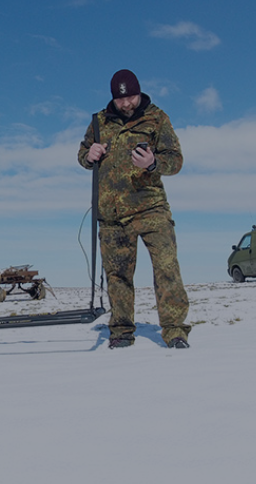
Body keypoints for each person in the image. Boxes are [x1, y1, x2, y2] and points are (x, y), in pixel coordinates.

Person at [78, 69, 191, 349]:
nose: (126, 104)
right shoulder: (99, 121)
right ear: (113, 98)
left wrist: (153, 163)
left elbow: (175, 160)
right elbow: (83, 154)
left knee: (166, 267)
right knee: (117, 276)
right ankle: (121, 331)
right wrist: (89, 155)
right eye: (120, 99)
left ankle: (175, 330)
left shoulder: (157, 118)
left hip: (150, 208)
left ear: (139, 93)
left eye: (131, 97)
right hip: (112, 214)